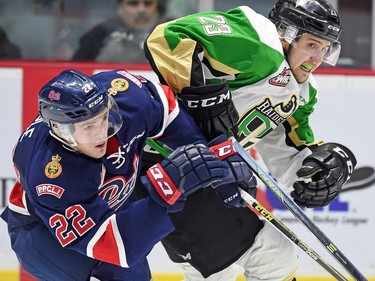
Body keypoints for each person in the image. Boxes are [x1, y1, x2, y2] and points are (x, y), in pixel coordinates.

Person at [142, 0, 357, 280]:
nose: (318, 58)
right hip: (168, 167)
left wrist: (316, 172)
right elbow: (166, 39)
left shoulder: (303, 92)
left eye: (326, 48)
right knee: (262, 259)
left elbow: (286, 146)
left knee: (259, 259)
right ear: (285, 34)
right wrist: (199, 94)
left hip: (207, 175)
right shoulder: (259, 42)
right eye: (312, 45)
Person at [0, 69, 257, 281]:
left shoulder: (125, 97)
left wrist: (214, 157)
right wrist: (165, 192)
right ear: (60, 130)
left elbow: (166, 111)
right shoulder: (51, 177)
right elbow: (117, 246)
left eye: (103, 118)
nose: (102, 132)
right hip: (45, 237)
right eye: (89, 127)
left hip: (109, 206)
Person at [72, 0, 165, 63]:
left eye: (148, 4)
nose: (141, 10)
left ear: (157, 9)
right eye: (133, 3)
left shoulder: (171, 33)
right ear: (120, 9)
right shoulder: (100, 35)